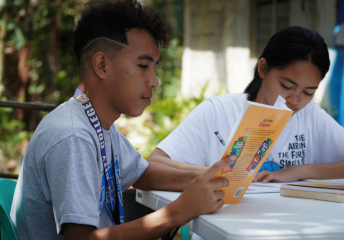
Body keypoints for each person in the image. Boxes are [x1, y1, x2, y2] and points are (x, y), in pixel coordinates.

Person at [10, 1, 235, 239]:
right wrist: (179, 211)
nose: (154, 81)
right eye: (143, 66)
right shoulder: (74, 136)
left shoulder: (97, 124)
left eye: (154, 68)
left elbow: (142, 174)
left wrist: (209, 179)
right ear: (102, 65)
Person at [147, 26, 344, 185]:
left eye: (309, 92)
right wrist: (217, 173)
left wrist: (300, 170)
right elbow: (152, 165)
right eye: (287, 86)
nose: (295, 100)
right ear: (263, 68)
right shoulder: (217, 112)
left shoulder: (309, 117)